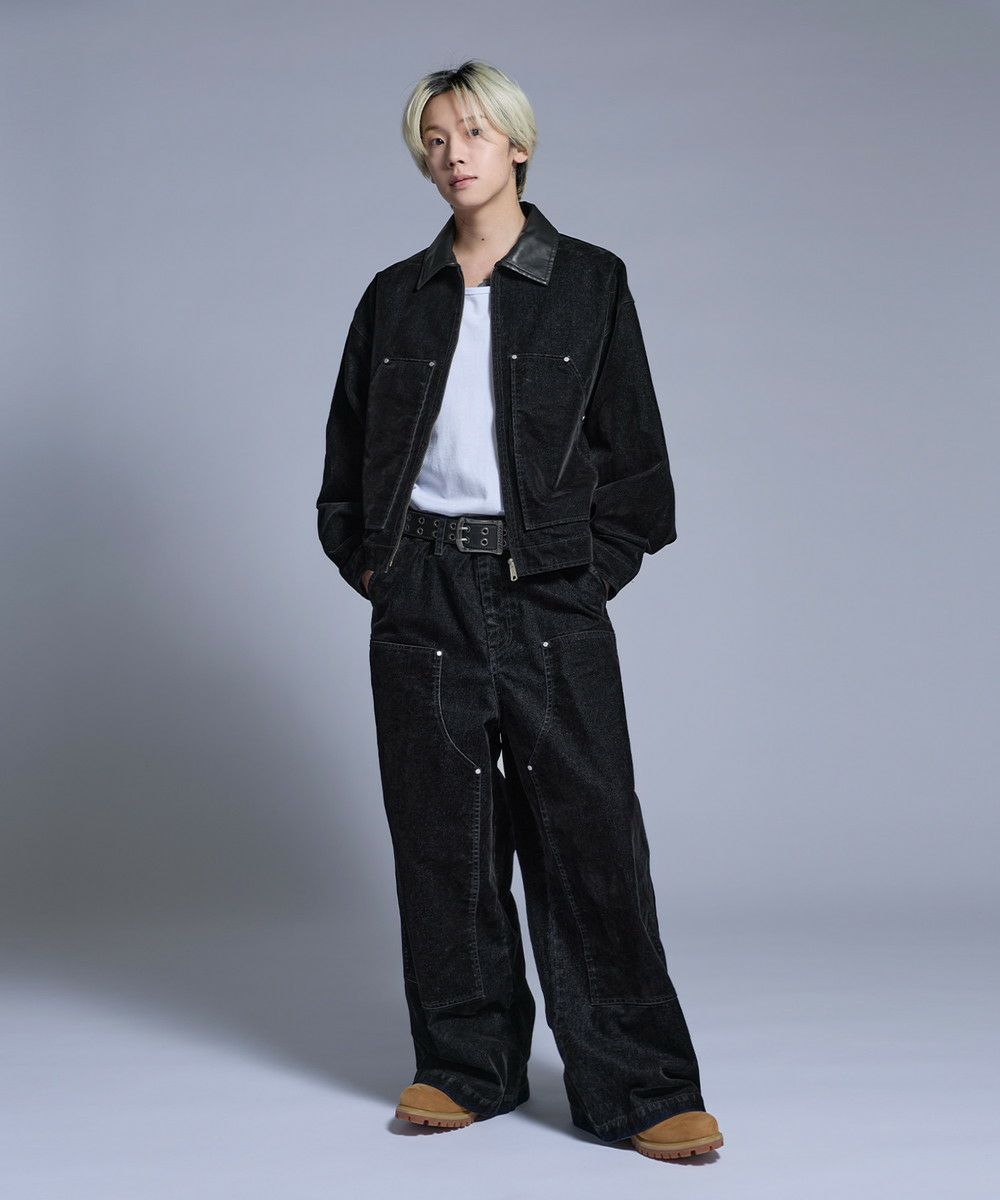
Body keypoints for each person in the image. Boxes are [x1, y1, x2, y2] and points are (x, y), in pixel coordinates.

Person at [316, 59, 723, 1162]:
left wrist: (581, 574)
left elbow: (637, 470)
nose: (454, 154)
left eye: (474, 133)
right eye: (435, 139)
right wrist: (378, 568)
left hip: (546, 593)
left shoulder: (589, 283)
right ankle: (464, 1065)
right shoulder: (393, 296)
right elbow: (347, 462)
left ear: (518, 144)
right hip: (421, 596)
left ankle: (640, 1085)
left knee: (590, 840)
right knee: (441, 843)